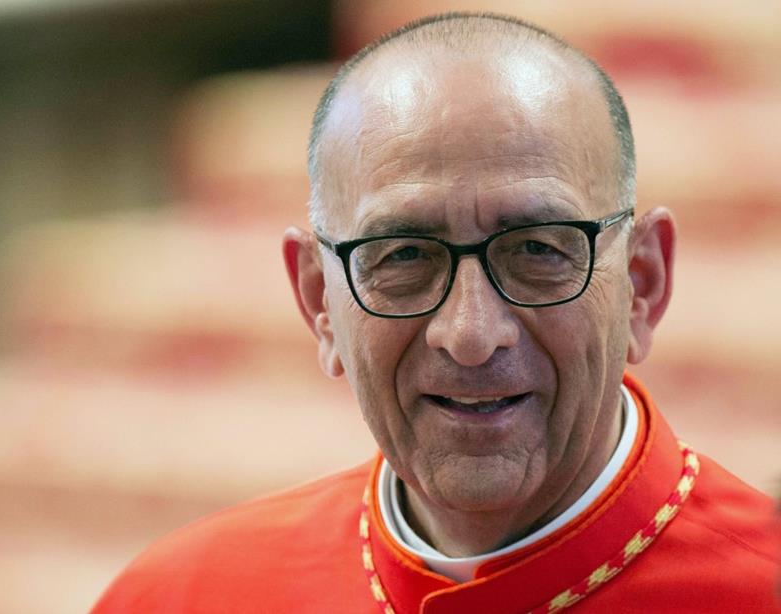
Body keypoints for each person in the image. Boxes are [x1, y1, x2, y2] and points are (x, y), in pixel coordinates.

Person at [93, 12, 779, 613]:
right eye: (403, 257)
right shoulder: (183, 596)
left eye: (537, 249)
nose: (471, 335)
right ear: (319, 302)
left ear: (643, 283)